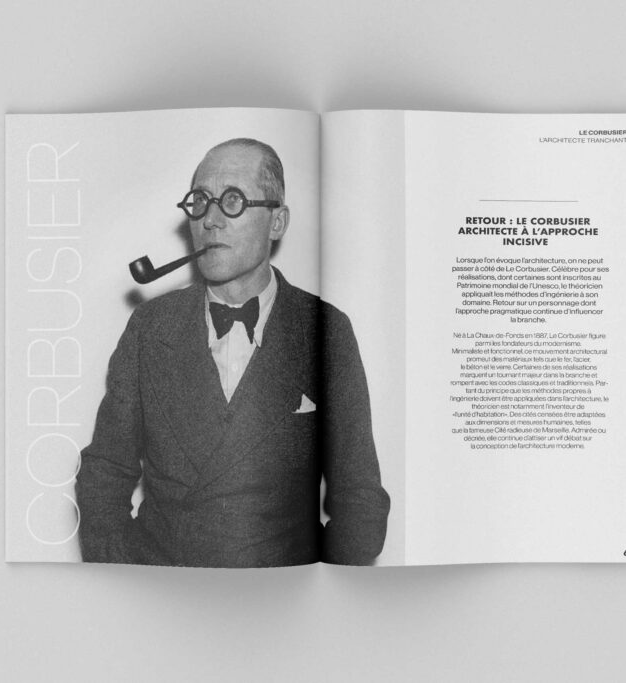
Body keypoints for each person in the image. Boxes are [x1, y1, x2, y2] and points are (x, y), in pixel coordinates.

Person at [75, 138, 390, 567]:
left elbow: (361, 502)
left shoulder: (326, 331)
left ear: (277, 222)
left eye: (233, 200)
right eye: (200, 201)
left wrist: (318, 589)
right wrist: (126, 577)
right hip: (167, 587)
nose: (211, 219)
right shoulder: (150, 328)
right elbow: (104, 472)